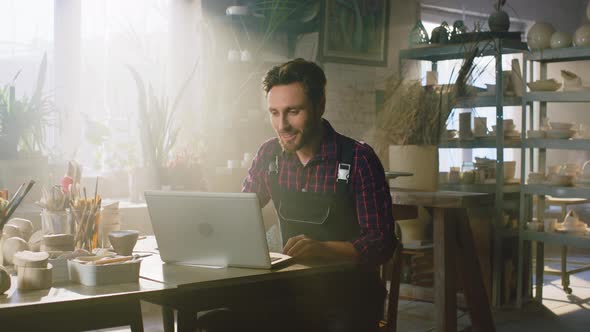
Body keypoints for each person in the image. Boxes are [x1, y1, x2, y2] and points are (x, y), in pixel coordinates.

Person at [239, 58, 397, 331]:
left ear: (320, 105)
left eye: (293, 112)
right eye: (274, 113)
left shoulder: (358, 159)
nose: (282, 125)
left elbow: (381, 243)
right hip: (287, 290)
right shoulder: (269, 155)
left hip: (349, 296)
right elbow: (240, 213)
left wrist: (323, 249)